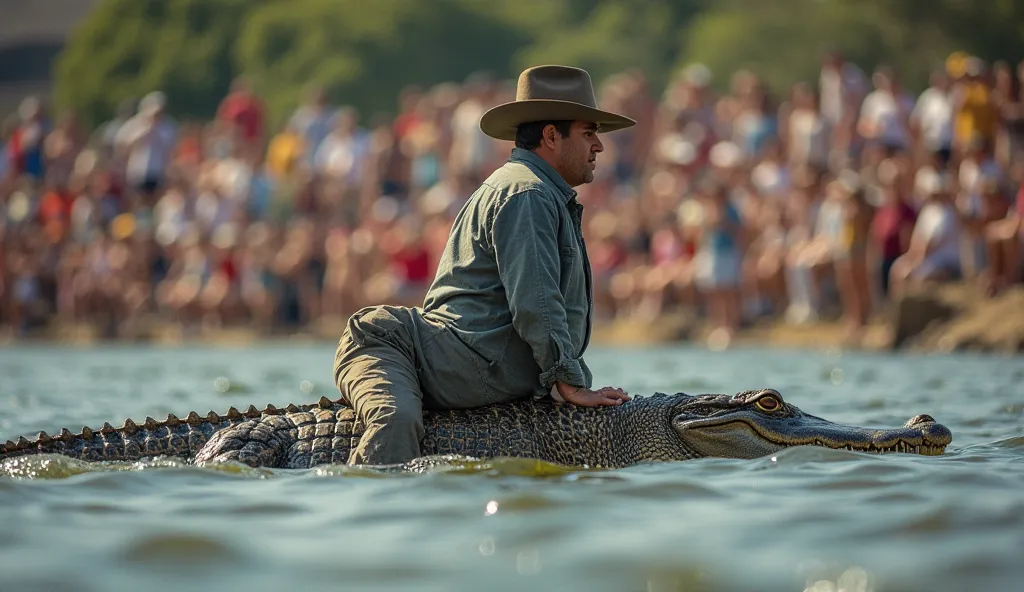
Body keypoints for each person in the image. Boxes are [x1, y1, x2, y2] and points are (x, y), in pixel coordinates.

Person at [333, 65, 634, 465]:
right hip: (391, 348)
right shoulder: (527, 193)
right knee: (396, 423)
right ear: (550, 136)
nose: (598, 146)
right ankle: (377, 521)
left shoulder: (541, 192)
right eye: (588, 133)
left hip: (461, 366)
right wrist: (568, 379)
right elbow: (536, 303)